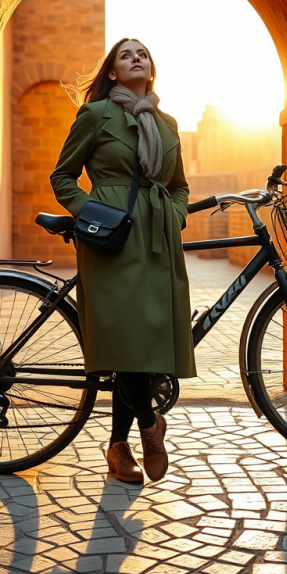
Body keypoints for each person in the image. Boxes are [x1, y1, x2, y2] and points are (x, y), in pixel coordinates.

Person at [50, 38, 196, 484]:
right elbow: (63, 175)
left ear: (152, 69)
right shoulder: (95, 116)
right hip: (112, 240)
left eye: (144, 54)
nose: (136, 58)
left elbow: (178, 185)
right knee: (124, 342)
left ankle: (117, 448)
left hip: (157, 240)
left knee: (144, 347)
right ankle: (150, 428)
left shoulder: (167, 124)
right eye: (125, 54)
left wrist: (174, 215)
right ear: (112, 72)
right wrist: (91, 215)